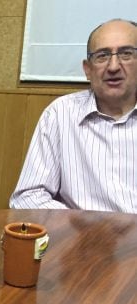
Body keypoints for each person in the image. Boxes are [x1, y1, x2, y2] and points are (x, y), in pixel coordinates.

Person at [9, 19, 137, 212]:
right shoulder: (60, 114)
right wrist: (85, 227)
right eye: (102, 56)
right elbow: (27, 197)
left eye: (126, 54)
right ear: (87, 69)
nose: (113, 66)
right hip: (81, 238)